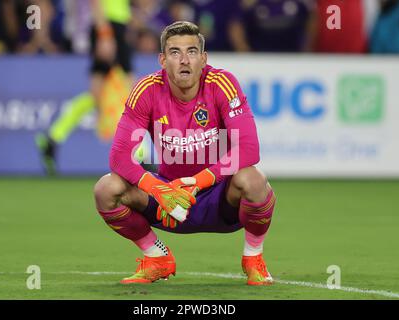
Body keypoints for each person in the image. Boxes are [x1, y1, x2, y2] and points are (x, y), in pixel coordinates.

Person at [93, 21, 277, 285]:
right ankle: (157, 257)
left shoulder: (222, 83)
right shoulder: (146, 90)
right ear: (162, 59)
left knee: (254, 180)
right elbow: (119, 156)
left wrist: (198, 181)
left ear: (203, 59)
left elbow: (249, 149)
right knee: (106, 189)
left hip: (220, 196)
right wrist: (158, 188)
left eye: (191, 52)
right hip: (167, 199)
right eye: (175, 52)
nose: (184, 60)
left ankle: (253, 258)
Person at [36, 0, 133, 175]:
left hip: (115, 26)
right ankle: (142, 157)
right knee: (127, 93)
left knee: (100, 95)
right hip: (108, 27)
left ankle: (53, 136)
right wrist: (104, 33)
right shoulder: (106, 29)